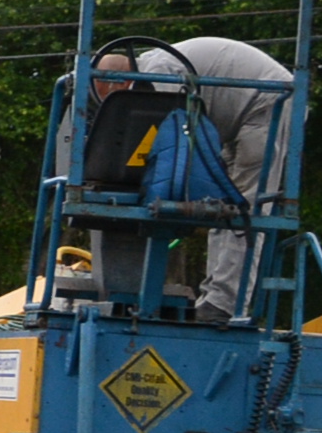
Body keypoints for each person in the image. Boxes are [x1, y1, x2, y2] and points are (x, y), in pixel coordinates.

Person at [95, 34, 294, 317]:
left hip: (270, 102)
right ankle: (214, 297)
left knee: (246, 210)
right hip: (236, 119)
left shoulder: (160, 72)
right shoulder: (153, 69)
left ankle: (226, 305)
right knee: (220, 210)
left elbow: (167, 132)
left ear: (120, 80)